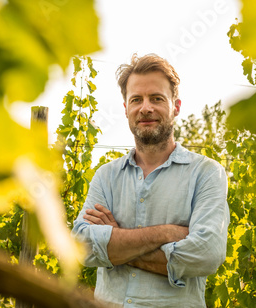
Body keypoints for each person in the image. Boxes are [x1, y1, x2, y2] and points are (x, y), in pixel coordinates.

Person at [71, 53, 230, 307]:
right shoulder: (106, 176)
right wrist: (167, 234)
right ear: (125, 109)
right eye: (136, 99)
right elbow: (81, 246)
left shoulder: (206, 173)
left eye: (156, 98)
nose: (146, 108)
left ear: (175, 106)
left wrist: (115, 244)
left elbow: (206, 254)